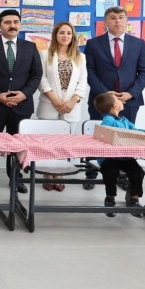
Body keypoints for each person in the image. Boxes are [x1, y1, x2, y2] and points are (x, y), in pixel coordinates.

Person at [83, 6, 145, 188]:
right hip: (101, 100)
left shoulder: (138, 43)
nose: (117, 21)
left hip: (129, 100)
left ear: (127, 21)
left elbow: (144, 71)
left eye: (121, 17)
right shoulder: (93, 44)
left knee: (126, 138)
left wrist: (131, 93)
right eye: (112, 18)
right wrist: (106, 94)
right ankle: (91, 173)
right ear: (105, 22)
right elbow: (90, 72)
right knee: (97, 137)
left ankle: (123, 176)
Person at [0, 9, 41, 194]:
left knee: (17, 144)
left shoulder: (30, 47)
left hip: (22, 105)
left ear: (20, 24)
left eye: (16, 22)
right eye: (7, 22)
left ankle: (15, 177)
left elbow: (36, 74)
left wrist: (24, 94)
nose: (12, 25)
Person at [94, 93, 145, 217]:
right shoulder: (108, 119)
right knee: (110, 171)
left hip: (124, 156)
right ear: (114, 106)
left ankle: (134, 199)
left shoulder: (124, 120)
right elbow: (105, 132)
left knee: (137, 171)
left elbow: (135, 130)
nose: (122, 101)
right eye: (118, 99)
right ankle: (110, 198)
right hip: (109, 157)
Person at [36, 22, 88, 191]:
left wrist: (73, 101)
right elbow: (41, 79)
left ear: (73, 36)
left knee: (64, 143)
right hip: (49, 104)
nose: (65, 36)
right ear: (55, 35)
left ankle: (59, 175)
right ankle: (48, 174)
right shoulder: (44, 54)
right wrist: (54, 99)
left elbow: (82, 82)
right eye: (62, 33)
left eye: (68, 33)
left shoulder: (80, 57)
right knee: (48, 142)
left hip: (71, 106)